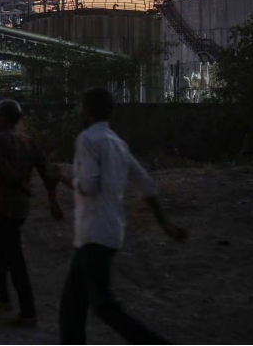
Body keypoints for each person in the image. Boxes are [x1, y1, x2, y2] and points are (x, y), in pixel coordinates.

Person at [58, 88, 187, 344]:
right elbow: (146, 182)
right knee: (74, 304)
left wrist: (65, 178)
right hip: (110, 232)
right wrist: (165, 224)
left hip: (93, 233)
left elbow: (88, 184)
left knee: (100, 305)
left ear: (87, 110)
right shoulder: (118, 143)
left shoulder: (87, 139)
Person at [0, 99, 63, 327]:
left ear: (4, 116)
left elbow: (3, 170)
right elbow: (47, 171)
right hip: (21, 206)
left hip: (6, 206)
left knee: (13, 256)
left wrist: (20, 185)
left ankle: (27, 311)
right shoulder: (27, 139)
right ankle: (4, 298)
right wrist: (53, 202)